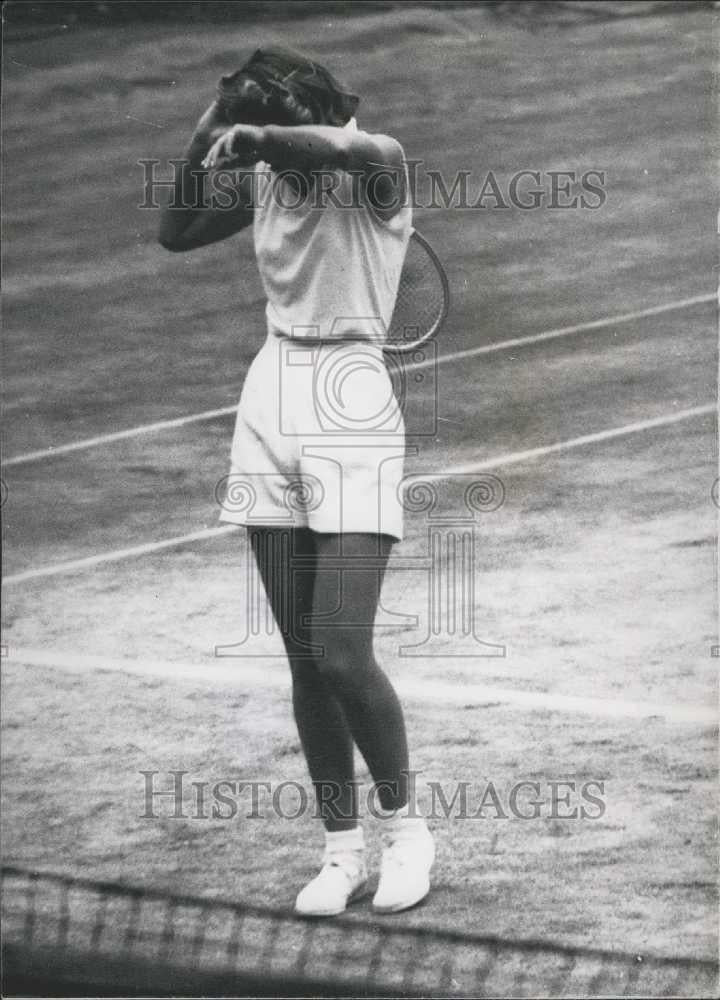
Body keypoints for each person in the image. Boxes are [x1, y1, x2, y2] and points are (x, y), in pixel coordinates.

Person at [158, 46, 434, 916]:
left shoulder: (377, 164)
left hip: (351, 400)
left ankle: (408, 834)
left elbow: (350, 149)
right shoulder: (269, 180)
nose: (261, 144)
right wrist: (209, 130)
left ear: (305, 115)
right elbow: (175, 230)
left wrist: (260, 135)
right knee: (304, 658)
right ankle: (341, 850)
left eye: (269, 125)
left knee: (341, 650)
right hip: (270, 394)